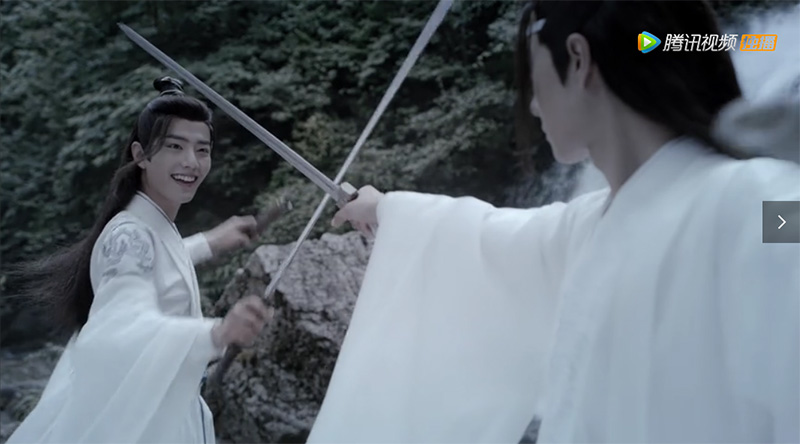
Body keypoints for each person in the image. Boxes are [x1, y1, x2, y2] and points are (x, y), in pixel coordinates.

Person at [308, 1, 800, 442]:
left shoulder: (751, 200)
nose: (532, 104)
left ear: (578, 58)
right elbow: (484, 238)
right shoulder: (592, 228)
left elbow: (784, 220)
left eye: (532, 71)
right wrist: (386, 209)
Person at [7, 77, 272, 443]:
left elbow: (154, 263)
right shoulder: (129, 235)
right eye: (175, 146)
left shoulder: (148, 223)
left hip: (164, 409)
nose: (191, 162)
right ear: (141, 155)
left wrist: (209, 242)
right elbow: (122, 321)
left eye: (202, 149)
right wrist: (216, 333)